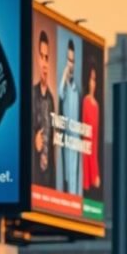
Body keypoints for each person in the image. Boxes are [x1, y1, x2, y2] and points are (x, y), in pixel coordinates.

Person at [32, 31, 56, 188]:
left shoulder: (51, 99)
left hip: (48, 183)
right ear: (37, 59)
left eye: (47, 57)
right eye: (42, 56)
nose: (45, 63)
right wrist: (34, 142)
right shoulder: (31, 96)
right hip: (33, 180)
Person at [58, 40, 81, 195]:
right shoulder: (64, 87)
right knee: (66, 177)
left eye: (72, 61)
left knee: (74, 179)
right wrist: (64, 76)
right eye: (68, 60)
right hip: (66, 139)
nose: (70, 64)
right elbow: (60, 94)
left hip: (76, 140)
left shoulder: (76, 89)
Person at [81, 66, 100, 195]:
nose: (92, 83)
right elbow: (84, 136)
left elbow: (96, 140)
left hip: (93, 154)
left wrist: (96, 172)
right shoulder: (85, 102)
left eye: (94, 79)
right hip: (85, 153)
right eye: (90, 79)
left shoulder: (96, 106)